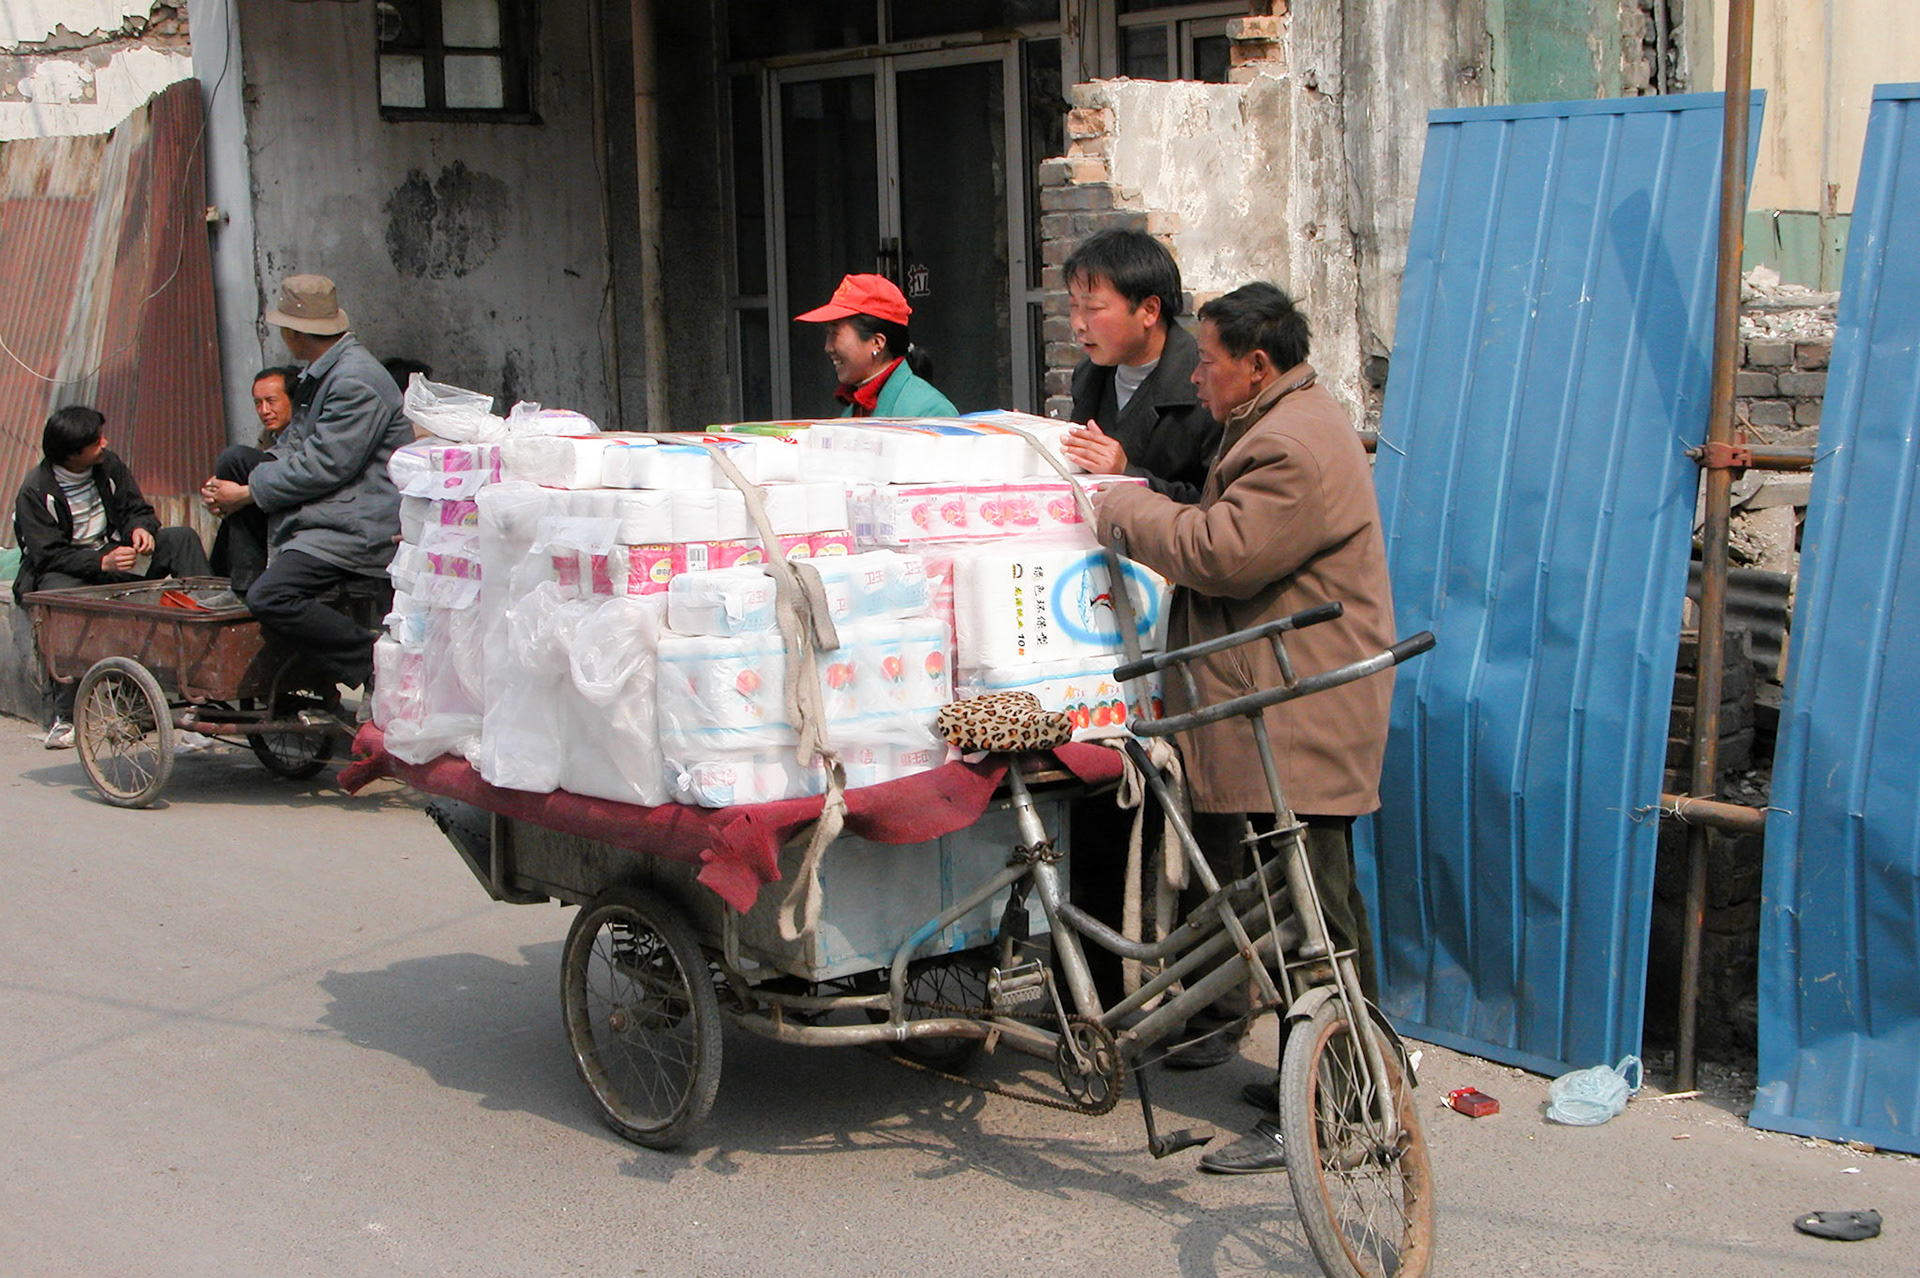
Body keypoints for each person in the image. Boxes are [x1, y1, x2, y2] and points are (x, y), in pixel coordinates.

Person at [1093, 282, 1397, 1176]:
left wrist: (1120, 505)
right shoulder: (1284, 417)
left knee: (1314, 919)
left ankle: (1338, 1113)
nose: (1199, 374)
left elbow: (1221, 553)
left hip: (1301, 710)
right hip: (1287, 700)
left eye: (1210, 362)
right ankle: (1337, 1078)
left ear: (1254, 365)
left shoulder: (1293, 446)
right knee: (1311, 902)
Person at [200, 274, 410, 703]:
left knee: (271, 597)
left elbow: (325, 465)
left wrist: (248, 494)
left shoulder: (354, 381)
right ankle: (244, 588)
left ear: (294, 333)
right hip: (330, 501)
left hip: (356, 520)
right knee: (236, 462)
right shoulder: (320, 372)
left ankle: (374, 662)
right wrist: (239, 484)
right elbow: (293, 444)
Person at [14, 405, 212, 746]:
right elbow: (46, 555)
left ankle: (207, 664)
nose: (104, 443)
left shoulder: (108, 465)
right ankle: (66, 715)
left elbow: (137, 508)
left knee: (180, 540)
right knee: (60, 601)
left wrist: (140, 530)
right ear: (72, 453)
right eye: (95, 441)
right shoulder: (35, 490)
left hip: (118, 558)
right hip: (68, 570)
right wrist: (99, 562)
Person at [1059, 229, 1221, 502]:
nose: (1078, 323)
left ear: (1149, 311)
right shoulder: (1089, 376)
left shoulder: (1210, 387)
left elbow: (1216, 504)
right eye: (1074, 306)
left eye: (1093, 309)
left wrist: (1127, 474)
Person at [794, 273, 957, 417]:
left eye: (835, 333)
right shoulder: (855, 409)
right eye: (827, 333)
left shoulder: (928, 411)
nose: (828, 347)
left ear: (877, 343)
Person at [207, 365, 299, 591]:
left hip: (297, 506)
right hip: (267, 505)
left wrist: (242, 491)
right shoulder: (268, 437)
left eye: (271, 401)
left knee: (234, 459)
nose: (264, 410)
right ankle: (219, 581)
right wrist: (216, 494)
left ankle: (244, 585)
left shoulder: (306, 432)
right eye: (258, 403)